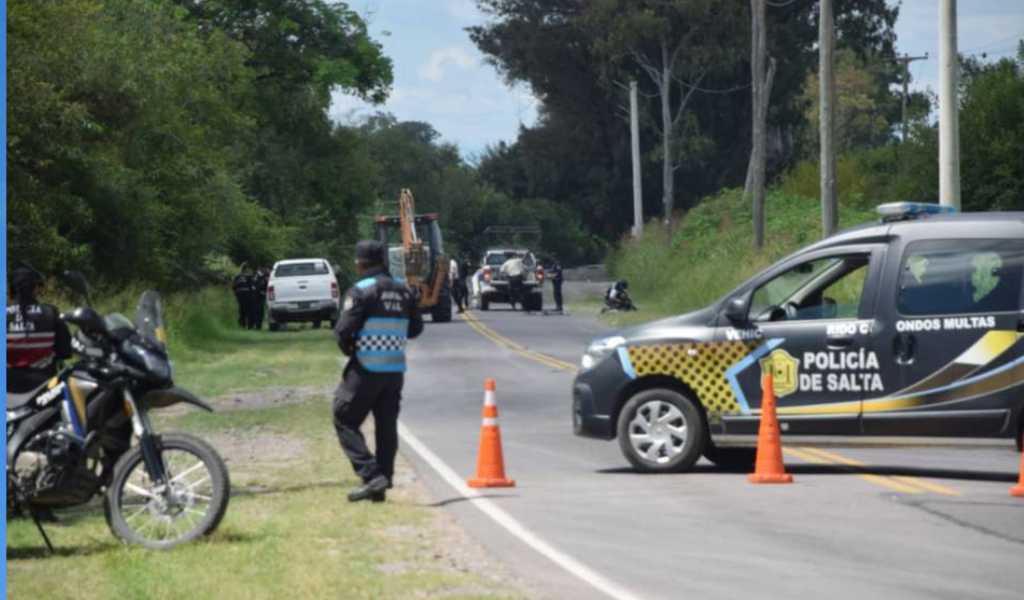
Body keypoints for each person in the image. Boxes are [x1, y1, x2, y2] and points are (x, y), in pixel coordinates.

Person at [333, 240, 424, 503]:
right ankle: (382, 483)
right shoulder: (404, 290)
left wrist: (350, 348)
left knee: (344, 417)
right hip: (394, 370)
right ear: (383, 261)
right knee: (386, 425)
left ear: (360, 263)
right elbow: (415, 329)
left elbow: (343, 330)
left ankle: (372, 475)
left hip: (366, 367)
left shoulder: (361, 290)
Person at [7, 266, 72, 394]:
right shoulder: (50, 312)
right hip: (45, 389)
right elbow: (65, 351)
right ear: (35, 288)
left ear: (11, 289)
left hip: (9, 391)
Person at [232, 264, 255, 329]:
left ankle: (247, 325)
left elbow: (252, 287)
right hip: (244, 296)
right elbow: (234, 287)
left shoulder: (248, 277)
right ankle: (246, 325)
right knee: (245, 311)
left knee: (246, 311)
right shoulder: (240, 277)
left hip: (245, 296)